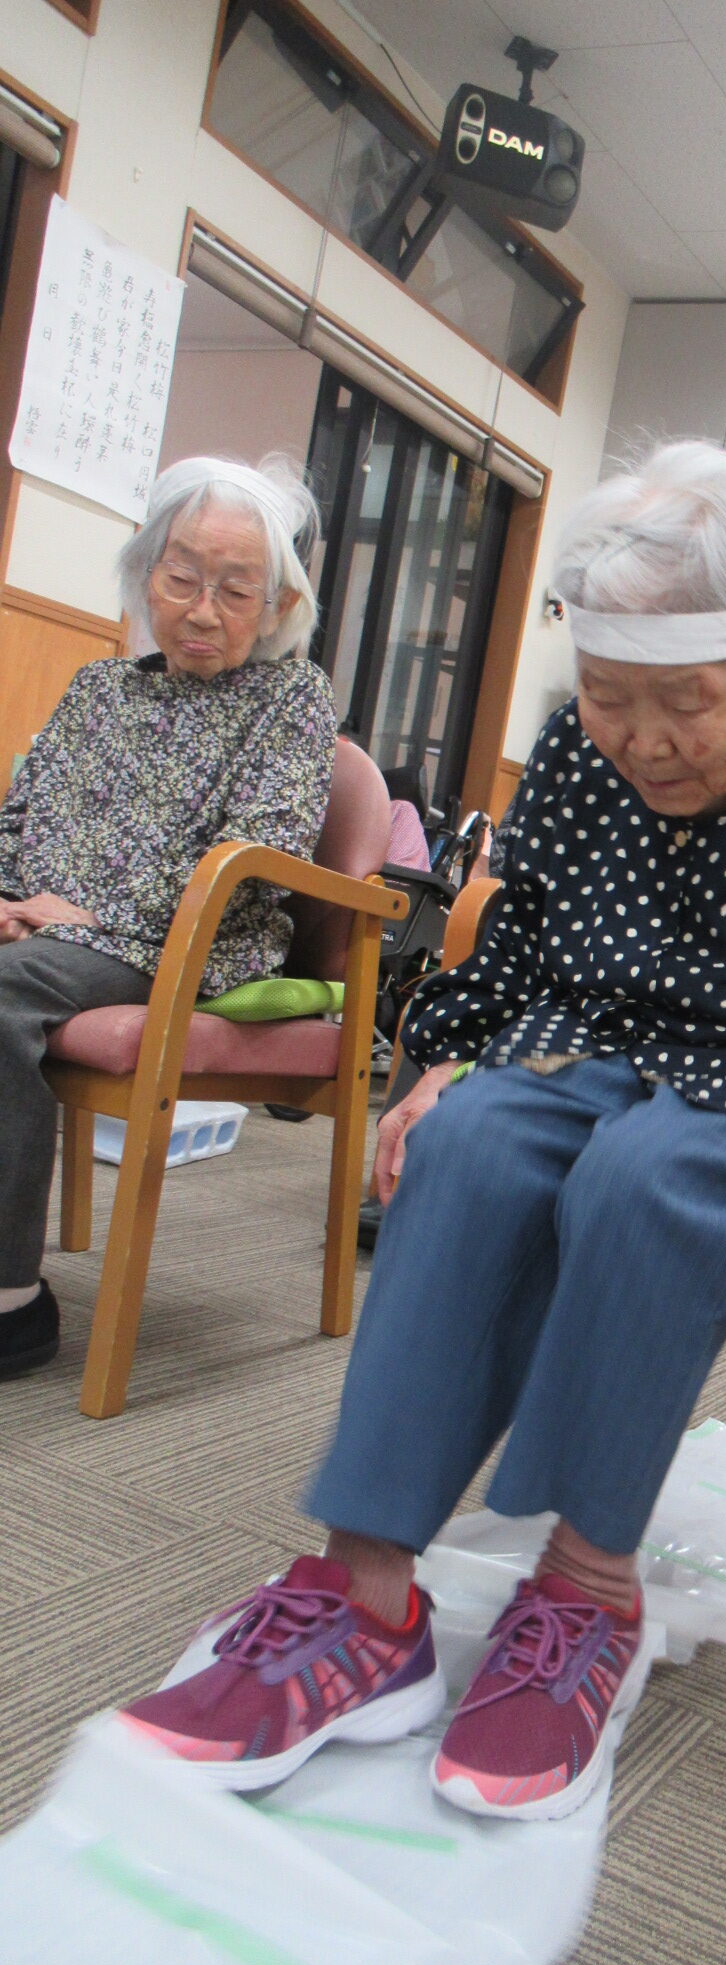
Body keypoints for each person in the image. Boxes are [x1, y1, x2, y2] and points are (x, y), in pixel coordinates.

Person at [118, 441, 726, 1821]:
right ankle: (365, 1600)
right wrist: (447, 1060)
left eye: (686, 702)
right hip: (594, 1036)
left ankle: (588, 1589)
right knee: (471, 1147)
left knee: (646, 1175)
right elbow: (521, 940)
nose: (644, 740)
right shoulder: (574, 747)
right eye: (612, 696)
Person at [0, 456, 337, 1378]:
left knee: (4, 994)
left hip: (181, 944)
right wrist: (10, 902)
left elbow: (258, 853)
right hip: (48, 931)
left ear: (277, 606)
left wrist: (87, 918)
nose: (203, 611)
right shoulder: (98, 687)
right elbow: (17, 819)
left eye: (236, 590)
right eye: (183, 578)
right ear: (146, 572)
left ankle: (12, 1306)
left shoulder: (291, 697)